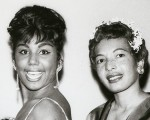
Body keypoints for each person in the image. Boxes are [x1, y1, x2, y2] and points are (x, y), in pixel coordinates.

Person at [7, 5, 72, 120]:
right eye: (24, 51)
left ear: (59, 62)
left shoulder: (45, 110)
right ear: (14, 61)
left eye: (43, 52)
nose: (32, 61)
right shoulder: (39, 104)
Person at [86, 21, 150, 120]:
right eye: (101, 60)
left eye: (119, 55)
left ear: (139, 63)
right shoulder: (94, 116)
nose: (109, 66)